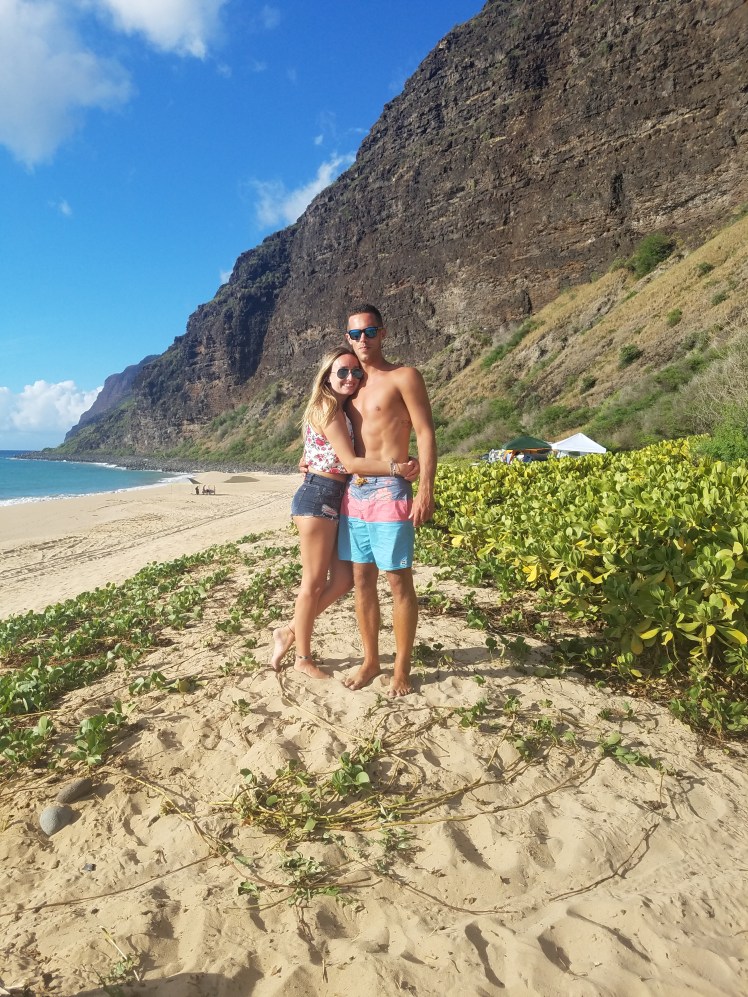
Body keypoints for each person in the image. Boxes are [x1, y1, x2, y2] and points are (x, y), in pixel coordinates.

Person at [270, 347, 419, 678]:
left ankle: (291, 631)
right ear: (327, 375)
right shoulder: (330, 409)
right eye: (342, 372)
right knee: (312, 583)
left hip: (338, 496)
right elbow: (350, 462)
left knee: (341, 581)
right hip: (319, 496)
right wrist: (399, 467)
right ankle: (303, 657)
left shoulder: (339, 407)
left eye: (356, 373)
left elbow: (324, 453)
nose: (350, 378)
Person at [338, 303, 437, 697]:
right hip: (355, 492)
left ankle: (401, 668)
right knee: (362, 581)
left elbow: (426, 433)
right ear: (348, 339)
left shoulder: (404, 376)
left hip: (391, 490)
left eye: (370, 331)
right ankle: (370, 660)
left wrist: (427, 486)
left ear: (384, 333)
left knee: (398, 581)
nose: (363, 340)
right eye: (356, 334)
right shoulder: (347, 385)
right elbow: (329, 431)